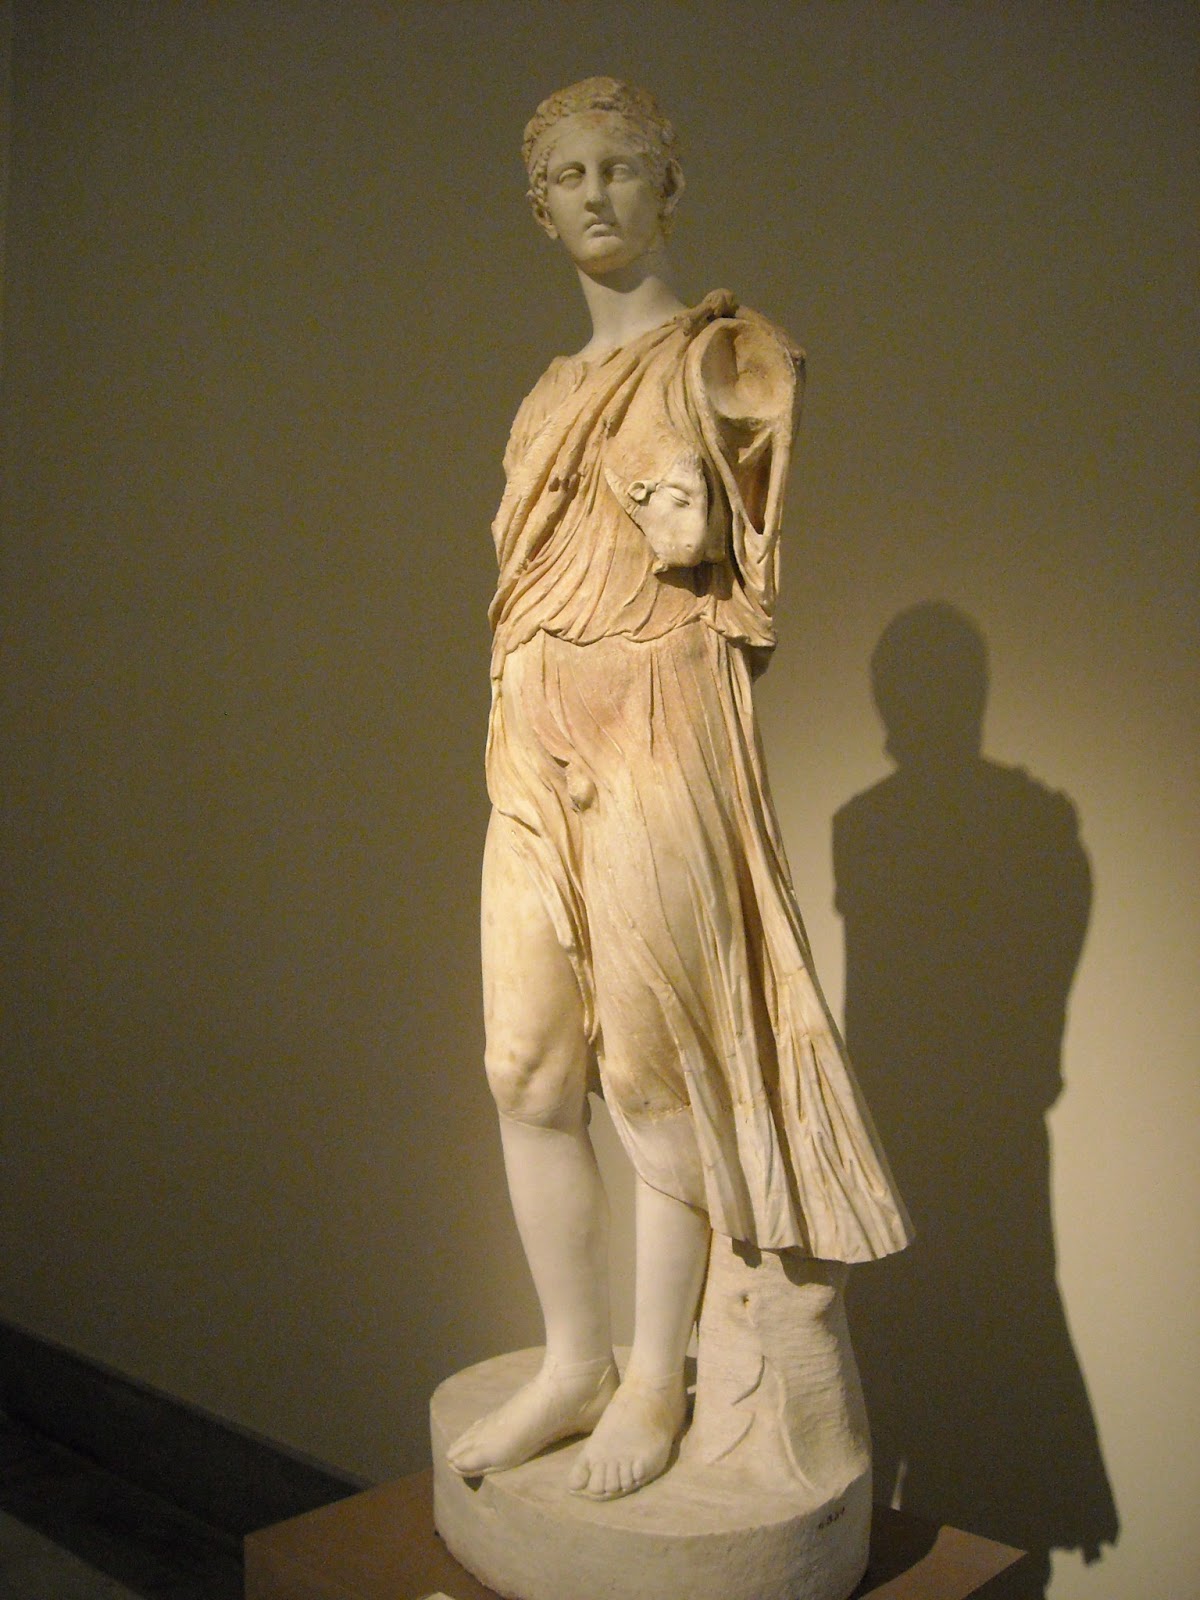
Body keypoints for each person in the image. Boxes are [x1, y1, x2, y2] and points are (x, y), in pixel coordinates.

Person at [447, 77, 910, 1503]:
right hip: (534, 726)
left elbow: (737, 504)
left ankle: (657, 1376)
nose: (596, 193)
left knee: (657, 1073)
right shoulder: (545, 394)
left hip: (658, 719)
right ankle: (574, 1362)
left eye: (621, 167)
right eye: (569, 175)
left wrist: (698, 497)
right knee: (526, 1066)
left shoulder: (724, 352)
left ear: (668, 187)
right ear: (539, 209)